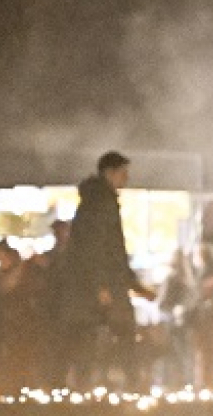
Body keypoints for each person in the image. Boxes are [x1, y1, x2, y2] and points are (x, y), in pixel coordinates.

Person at [54, 150, 152, 391]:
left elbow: (111, 250)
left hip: (99, 286)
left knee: (89, 336)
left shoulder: (96, 202)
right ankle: (125, 385)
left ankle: (85, 385)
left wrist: (134, 284)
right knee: (113, 334)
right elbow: (98, 250)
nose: (126, 178)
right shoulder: (100, 204)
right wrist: (102, 287)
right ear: (109, 173)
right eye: (123, 173)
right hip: (101, 287)